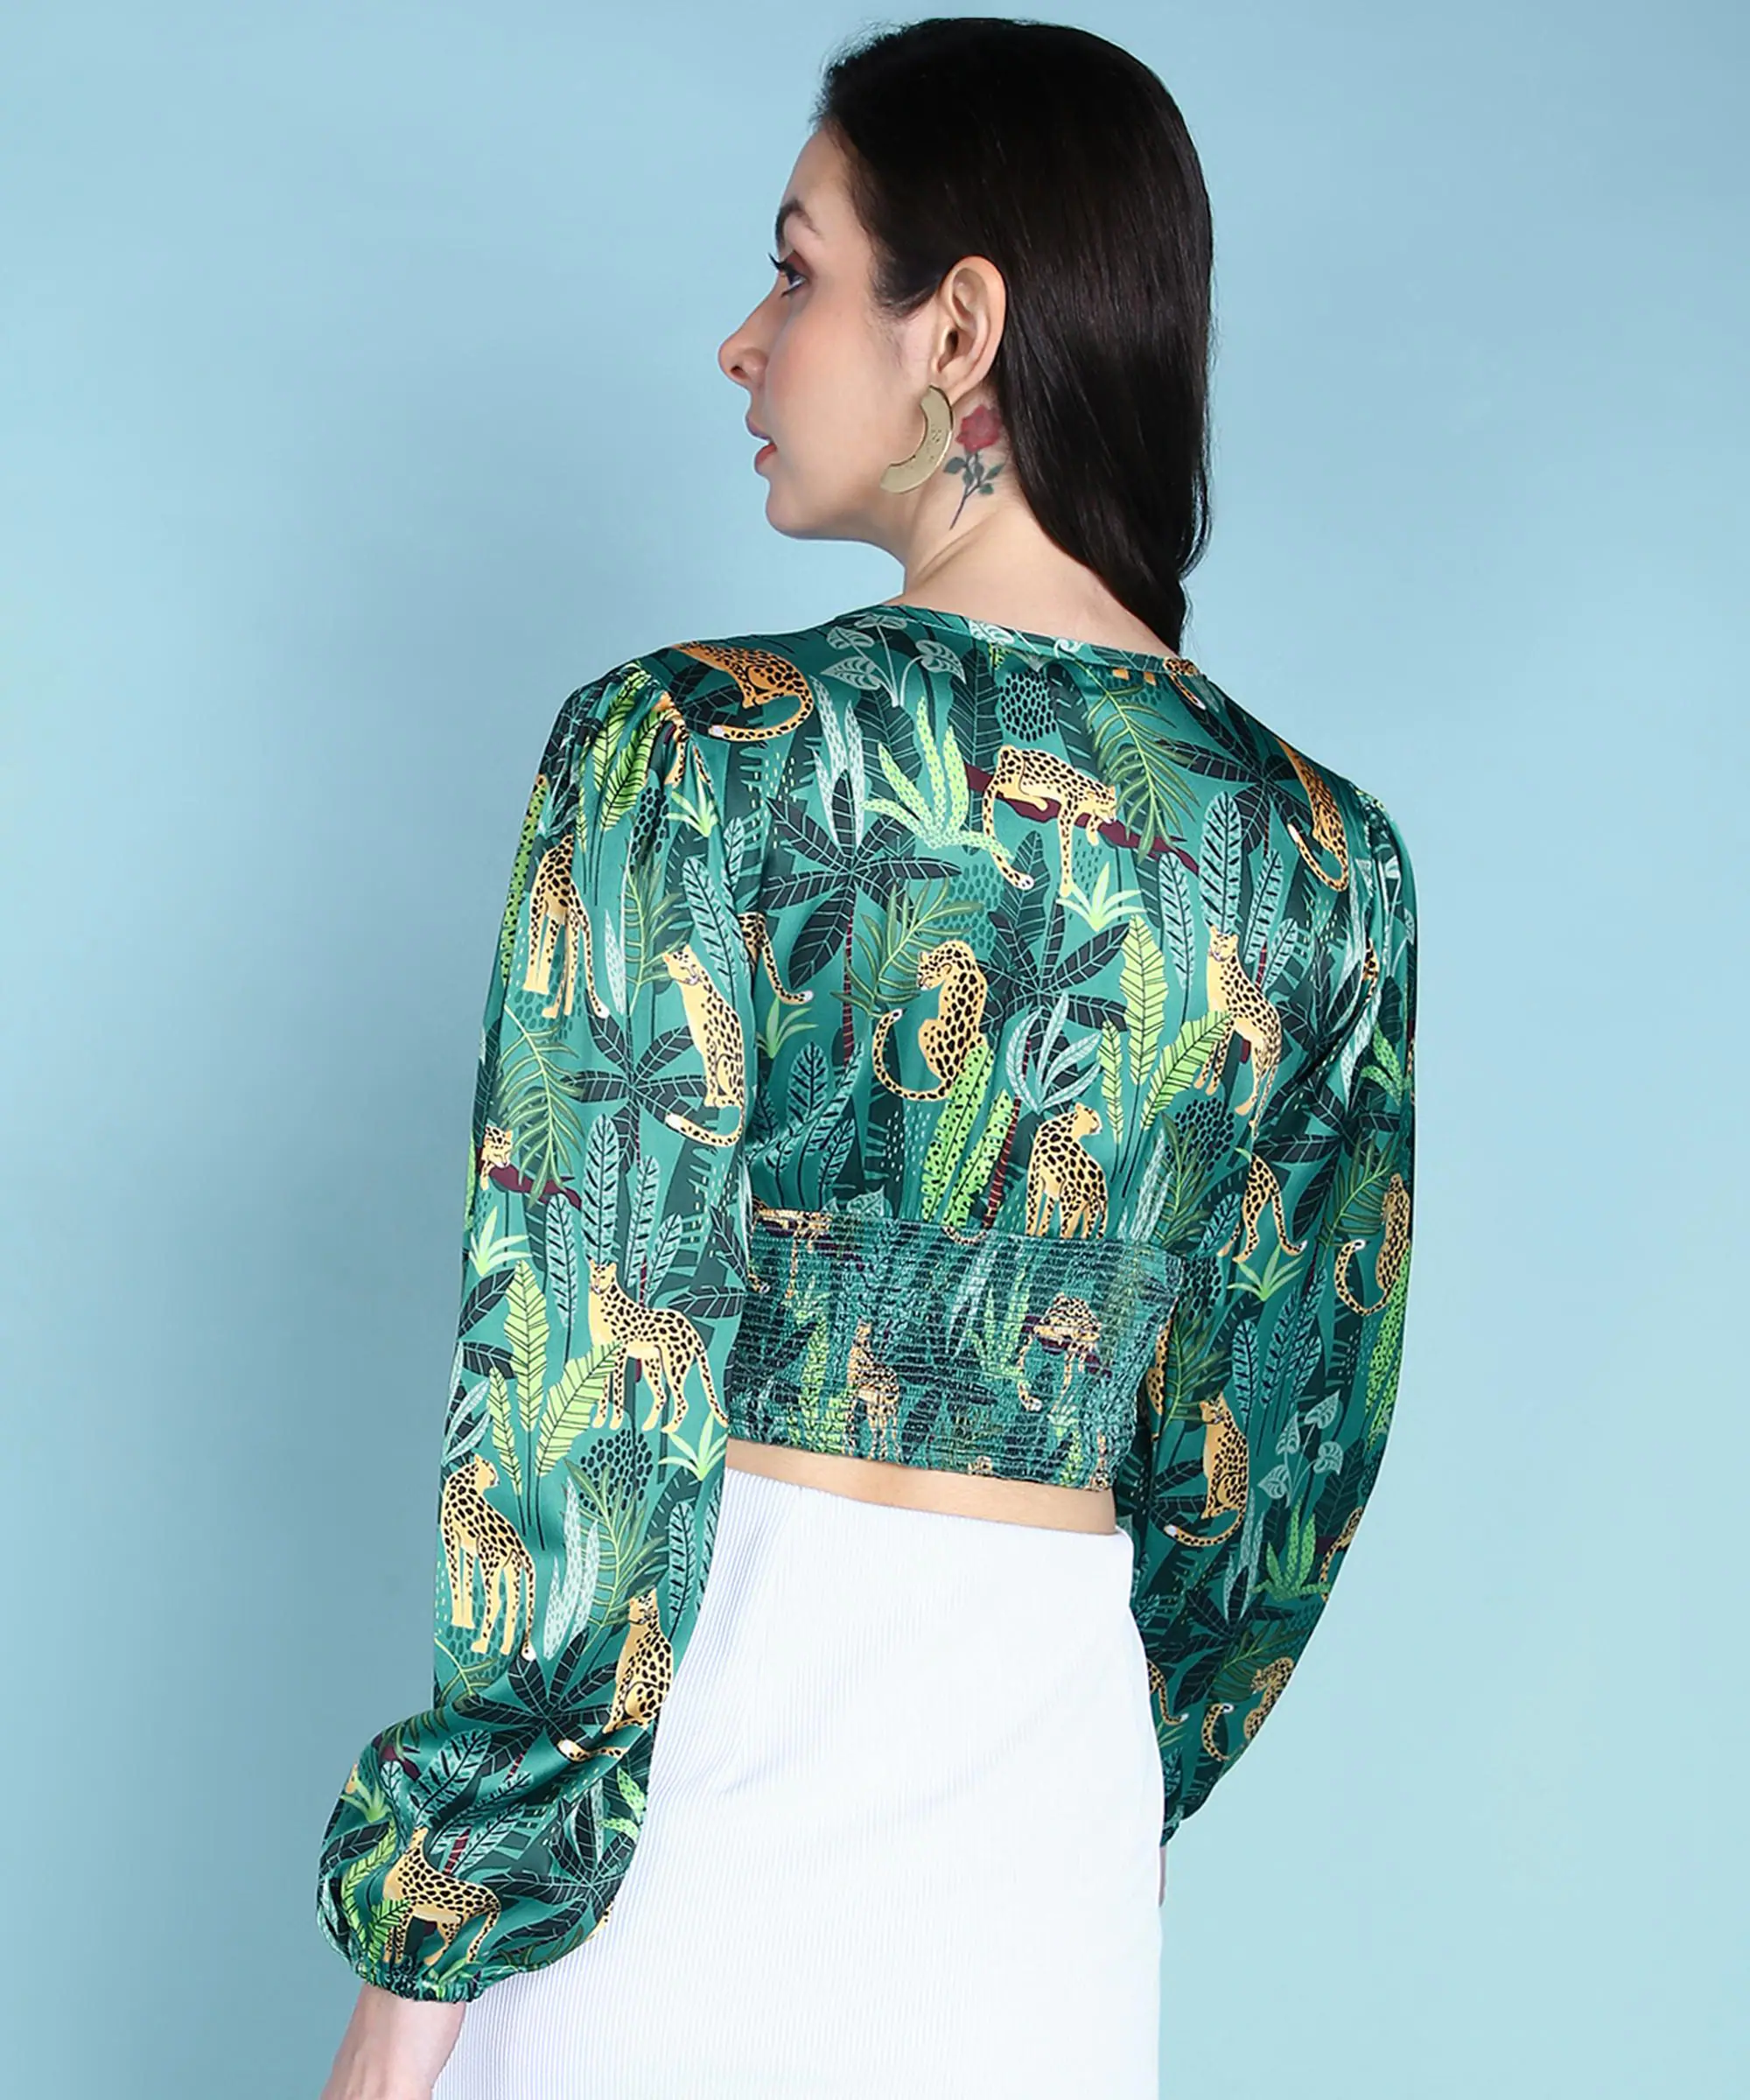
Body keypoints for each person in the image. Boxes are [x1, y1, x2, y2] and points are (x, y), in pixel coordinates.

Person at [315, 18, 1418, 2100]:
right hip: (1046, 1837)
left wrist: (412, 1983)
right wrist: (1109, 1783)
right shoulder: (1320, 866)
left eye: (798, 269)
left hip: (688, 1787)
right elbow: (1275, 1463)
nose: (743, 342)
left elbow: (581, 1391)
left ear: (959, 329)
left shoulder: (687, 752)